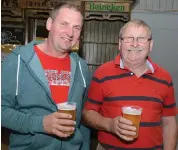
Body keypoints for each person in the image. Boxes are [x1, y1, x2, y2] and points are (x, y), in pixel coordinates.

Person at [2, 2, 91, 150]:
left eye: (77, 28)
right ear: (49, 24)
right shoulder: (17, 61)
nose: (70, 33)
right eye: (64, 24)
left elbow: (83, 119)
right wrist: (40, 124)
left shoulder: (82, 67)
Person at [82, 19, 177, 150]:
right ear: (120, 44)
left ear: (151, 45)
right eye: (129, 38)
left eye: (141, 38)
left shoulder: (164, 78)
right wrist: (110, 125)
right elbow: (87, 114)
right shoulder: (102, 73)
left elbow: (169, 122)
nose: (135, 44)